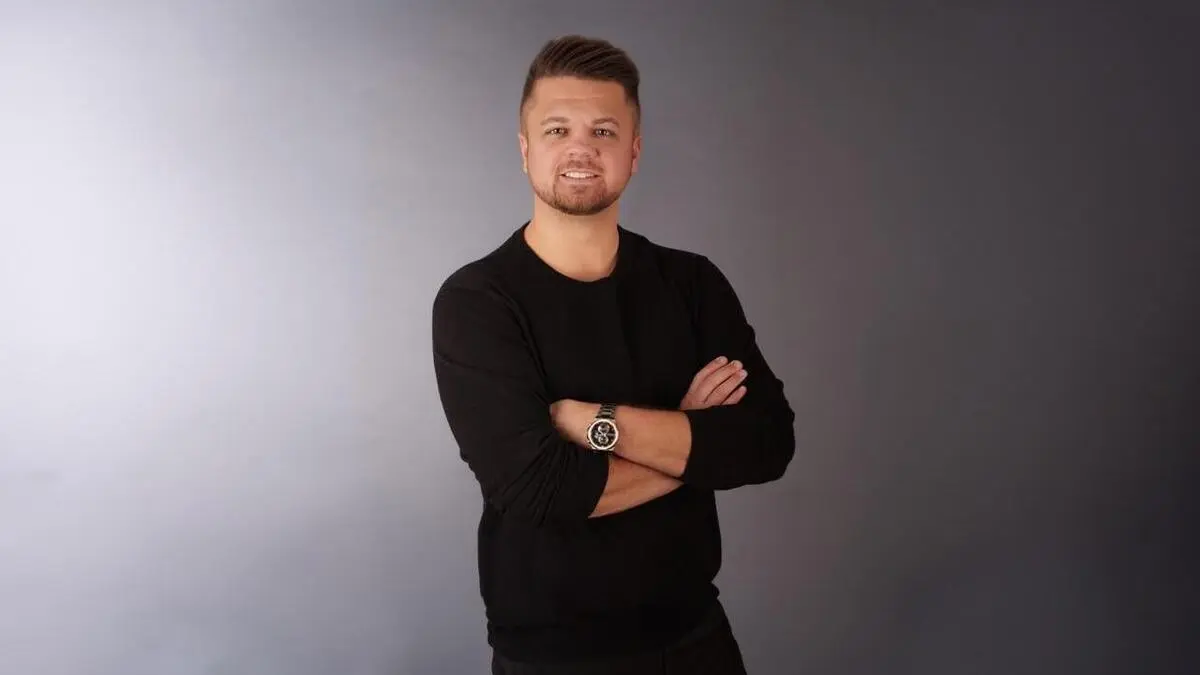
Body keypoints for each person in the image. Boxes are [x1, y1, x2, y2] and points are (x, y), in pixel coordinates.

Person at [431, 34, 796, 674]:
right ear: (525, 149)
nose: (581, 148)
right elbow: (537, 489)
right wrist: (692, 437)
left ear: (634, 150)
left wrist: (600, 422)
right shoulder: (477, 302)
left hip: (696, 640)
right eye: (556, 130)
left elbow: (766, 442)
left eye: (603, 130)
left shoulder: (692, 284)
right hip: (551, 657)